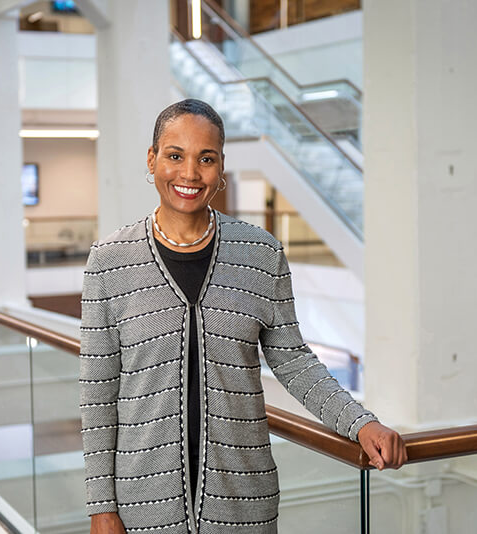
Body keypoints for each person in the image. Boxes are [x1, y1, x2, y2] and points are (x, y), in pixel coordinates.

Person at [80, 99, 406, 534]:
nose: (190, 174)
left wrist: (360, 422)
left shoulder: (261, 254)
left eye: (206, 159)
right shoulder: (109, 262)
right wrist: (101, 507)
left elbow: (294, 361)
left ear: (221, 167)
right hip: (143, 507)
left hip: (244, 504)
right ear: (152, 159)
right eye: (175, 155)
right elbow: (99, 395)